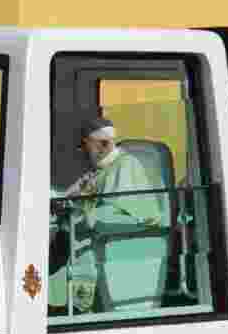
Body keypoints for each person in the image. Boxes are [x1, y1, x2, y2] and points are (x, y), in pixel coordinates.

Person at [60, 116, 165, 313]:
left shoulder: (126, 165)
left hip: (115, 253)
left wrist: (83, 214)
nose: (83, 152)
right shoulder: (99, 170)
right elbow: (65, 198)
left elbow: (120, 211)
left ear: (104, 144)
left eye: (86, 146)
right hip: (86, 248)